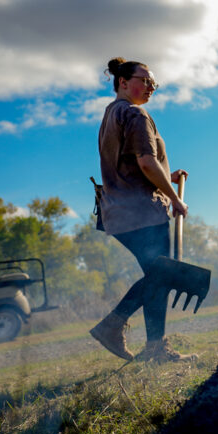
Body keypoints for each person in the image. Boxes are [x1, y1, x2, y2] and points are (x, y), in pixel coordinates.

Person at [89, 57, 195, 362]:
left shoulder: (112, 113)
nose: (151, 87)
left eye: (154, 83)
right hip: (142, 212)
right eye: (145, 80)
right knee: (162, 274)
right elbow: (146, 163)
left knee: (158, 275)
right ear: (123, 82)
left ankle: (153, 348)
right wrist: (173, 198)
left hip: (118, 211)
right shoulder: (135, 114)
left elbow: (136, 165)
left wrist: (167, 174)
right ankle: (118, 327)